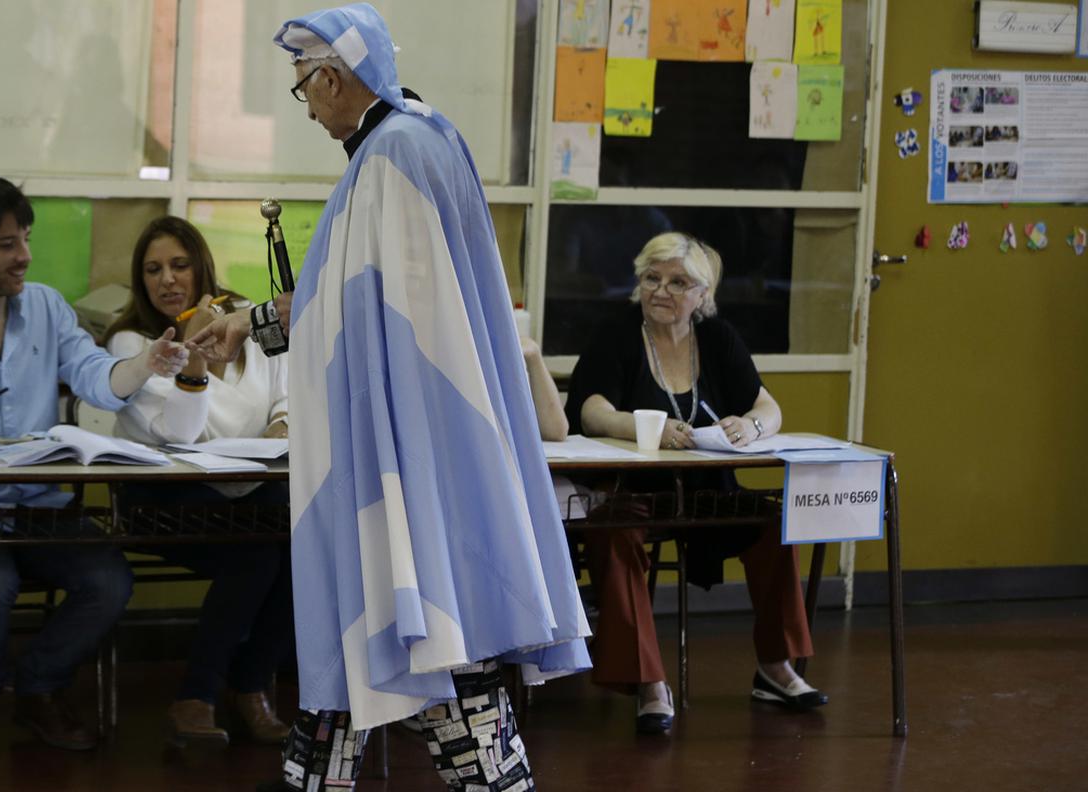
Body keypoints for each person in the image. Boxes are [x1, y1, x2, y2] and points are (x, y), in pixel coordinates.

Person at [188, 5, 591, 790]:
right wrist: (251, 321)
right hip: (429, 445)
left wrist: (260, 324)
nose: (307, 109)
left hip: (405, 460)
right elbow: (356, 295)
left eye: (305, 89)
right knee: (364, 657)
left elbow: (369, 313)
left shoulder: (390, 156)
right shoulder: (423, 132)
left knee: (428, 648)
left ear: (333, 78)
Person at [0, 175, 188, 759]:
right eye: (7, 244)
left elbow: (94, 377)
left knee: (108, 579)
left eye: (26, 238)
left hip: (38, 506)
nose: (25, 256)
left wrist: (144, 364)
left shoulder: (45, 305)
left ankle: (38, 687)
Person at [563, 231, 827, 735]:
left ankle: (775, 667)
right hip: (635, 492)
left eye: (678, 281)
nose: (661, 290)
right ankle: (649, 683)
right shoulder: (617, 333)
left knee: (773, 524)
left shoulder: (719, 338)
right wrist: (650, 428)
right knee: (613, 534)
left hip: (710, 491)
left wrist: (751, 427)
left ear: (702, 296)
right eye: (651, 278)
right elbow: (592, 411)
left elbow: (767, 407)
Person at [101, 216, 294, 746]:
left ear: (201, 267)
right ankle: (206, 693)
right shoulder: (132, 343)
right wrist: (192, 355)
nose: (167, 280)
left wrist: (283, 424)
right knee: (257, 552)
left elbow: (288, 388)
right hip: (164, 495)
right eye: (153, 270)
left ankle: (247, 686)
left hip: (253, 493)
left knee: (302, 545)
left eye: (179, 265)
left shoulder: (246, 326)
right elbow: (184, 435)